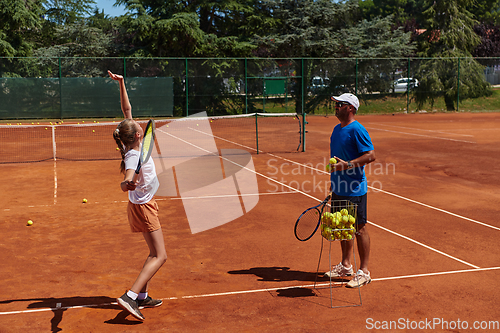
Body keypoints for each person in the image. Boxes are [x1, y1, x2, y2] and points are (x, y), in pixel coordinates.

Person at [109, 70, 167, 320]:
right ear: (139, 135)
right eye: (139, 126)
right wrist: (126, 183)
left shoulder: (130, 142)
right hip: (144, 206)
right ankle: (130, 297)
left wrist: (122, 84)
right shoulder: (134, 154)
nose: (139, 123)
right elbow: (128, 177)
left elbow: (126, 110)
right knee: (160, 255)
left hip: (139, 205)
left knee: (152, 252)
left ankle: (142, 297)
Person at [325, 93, 375, 288]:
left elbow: (370, 155)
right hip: (339, 187)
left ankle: (364, 272)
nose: (336, 107)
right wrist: (334, 180)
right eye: (336, 104)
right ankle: (346, 266)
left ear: (351, 108)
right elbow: (336, 160)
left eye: (340, 104)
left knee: (358, 228)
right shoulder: (337, 130)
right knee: (341, 226)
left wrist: (347, 166)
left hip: (355, 189)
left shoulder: (357, 129)